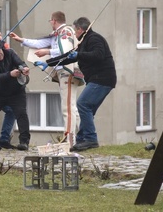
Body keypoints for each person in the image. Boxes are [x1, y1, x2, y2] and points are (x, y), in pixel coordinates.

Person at [44, 17, 116, 151]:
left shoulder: (94, 38)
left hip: (102, 79)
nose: (73, 33)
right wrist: (48, 63)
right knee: (88, 109)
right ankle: (82, 139)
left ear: (79, 29)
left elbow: (98, 54)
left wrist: (78, 55)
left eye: (74, 30)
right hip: (98, 79)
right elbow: (68, 56)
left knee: (82, 104)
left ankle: (90, 139)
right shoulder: (82, 42)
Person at [10, 11, 81, 146]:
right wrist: (21, 40)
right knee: (71, 107)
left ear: (54, 20)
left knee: (68, 107)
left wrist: (47, 52)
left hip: (67, 71)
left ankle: (69, 139)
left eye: (50, 21)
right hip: (62, 72)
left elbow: (65, 51)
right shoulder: (58, 34)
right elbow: (39, 43)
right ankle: (77, 136)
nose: (50, 24)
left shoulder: (66, 31)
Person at [0, 41, 31, 151]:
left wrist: (24, 68)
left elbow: (20, 62)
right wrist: (10, 74)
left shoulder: (9, 53)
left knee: (21, 114)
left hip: (17, 92)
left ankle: (24, 141)